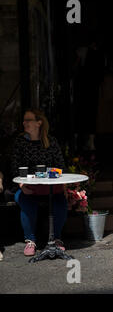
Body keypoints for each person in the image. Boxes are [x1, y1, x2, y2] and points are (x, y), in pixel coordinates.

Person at [11, 109, 67, 257]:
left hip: (49, 187)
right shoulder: (20, 142)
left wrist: (58, 181)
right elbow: (14, 168)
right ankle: (31, 240)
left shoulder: (51, 142)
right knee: (26, 202)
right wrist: (21, 186)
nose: (24, 123)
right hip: (27, 187)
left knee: (60, 202)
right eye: (24, 120)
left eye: (28, 120)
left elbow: (61, 166)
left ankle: (56, 239)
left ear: (39, 122)